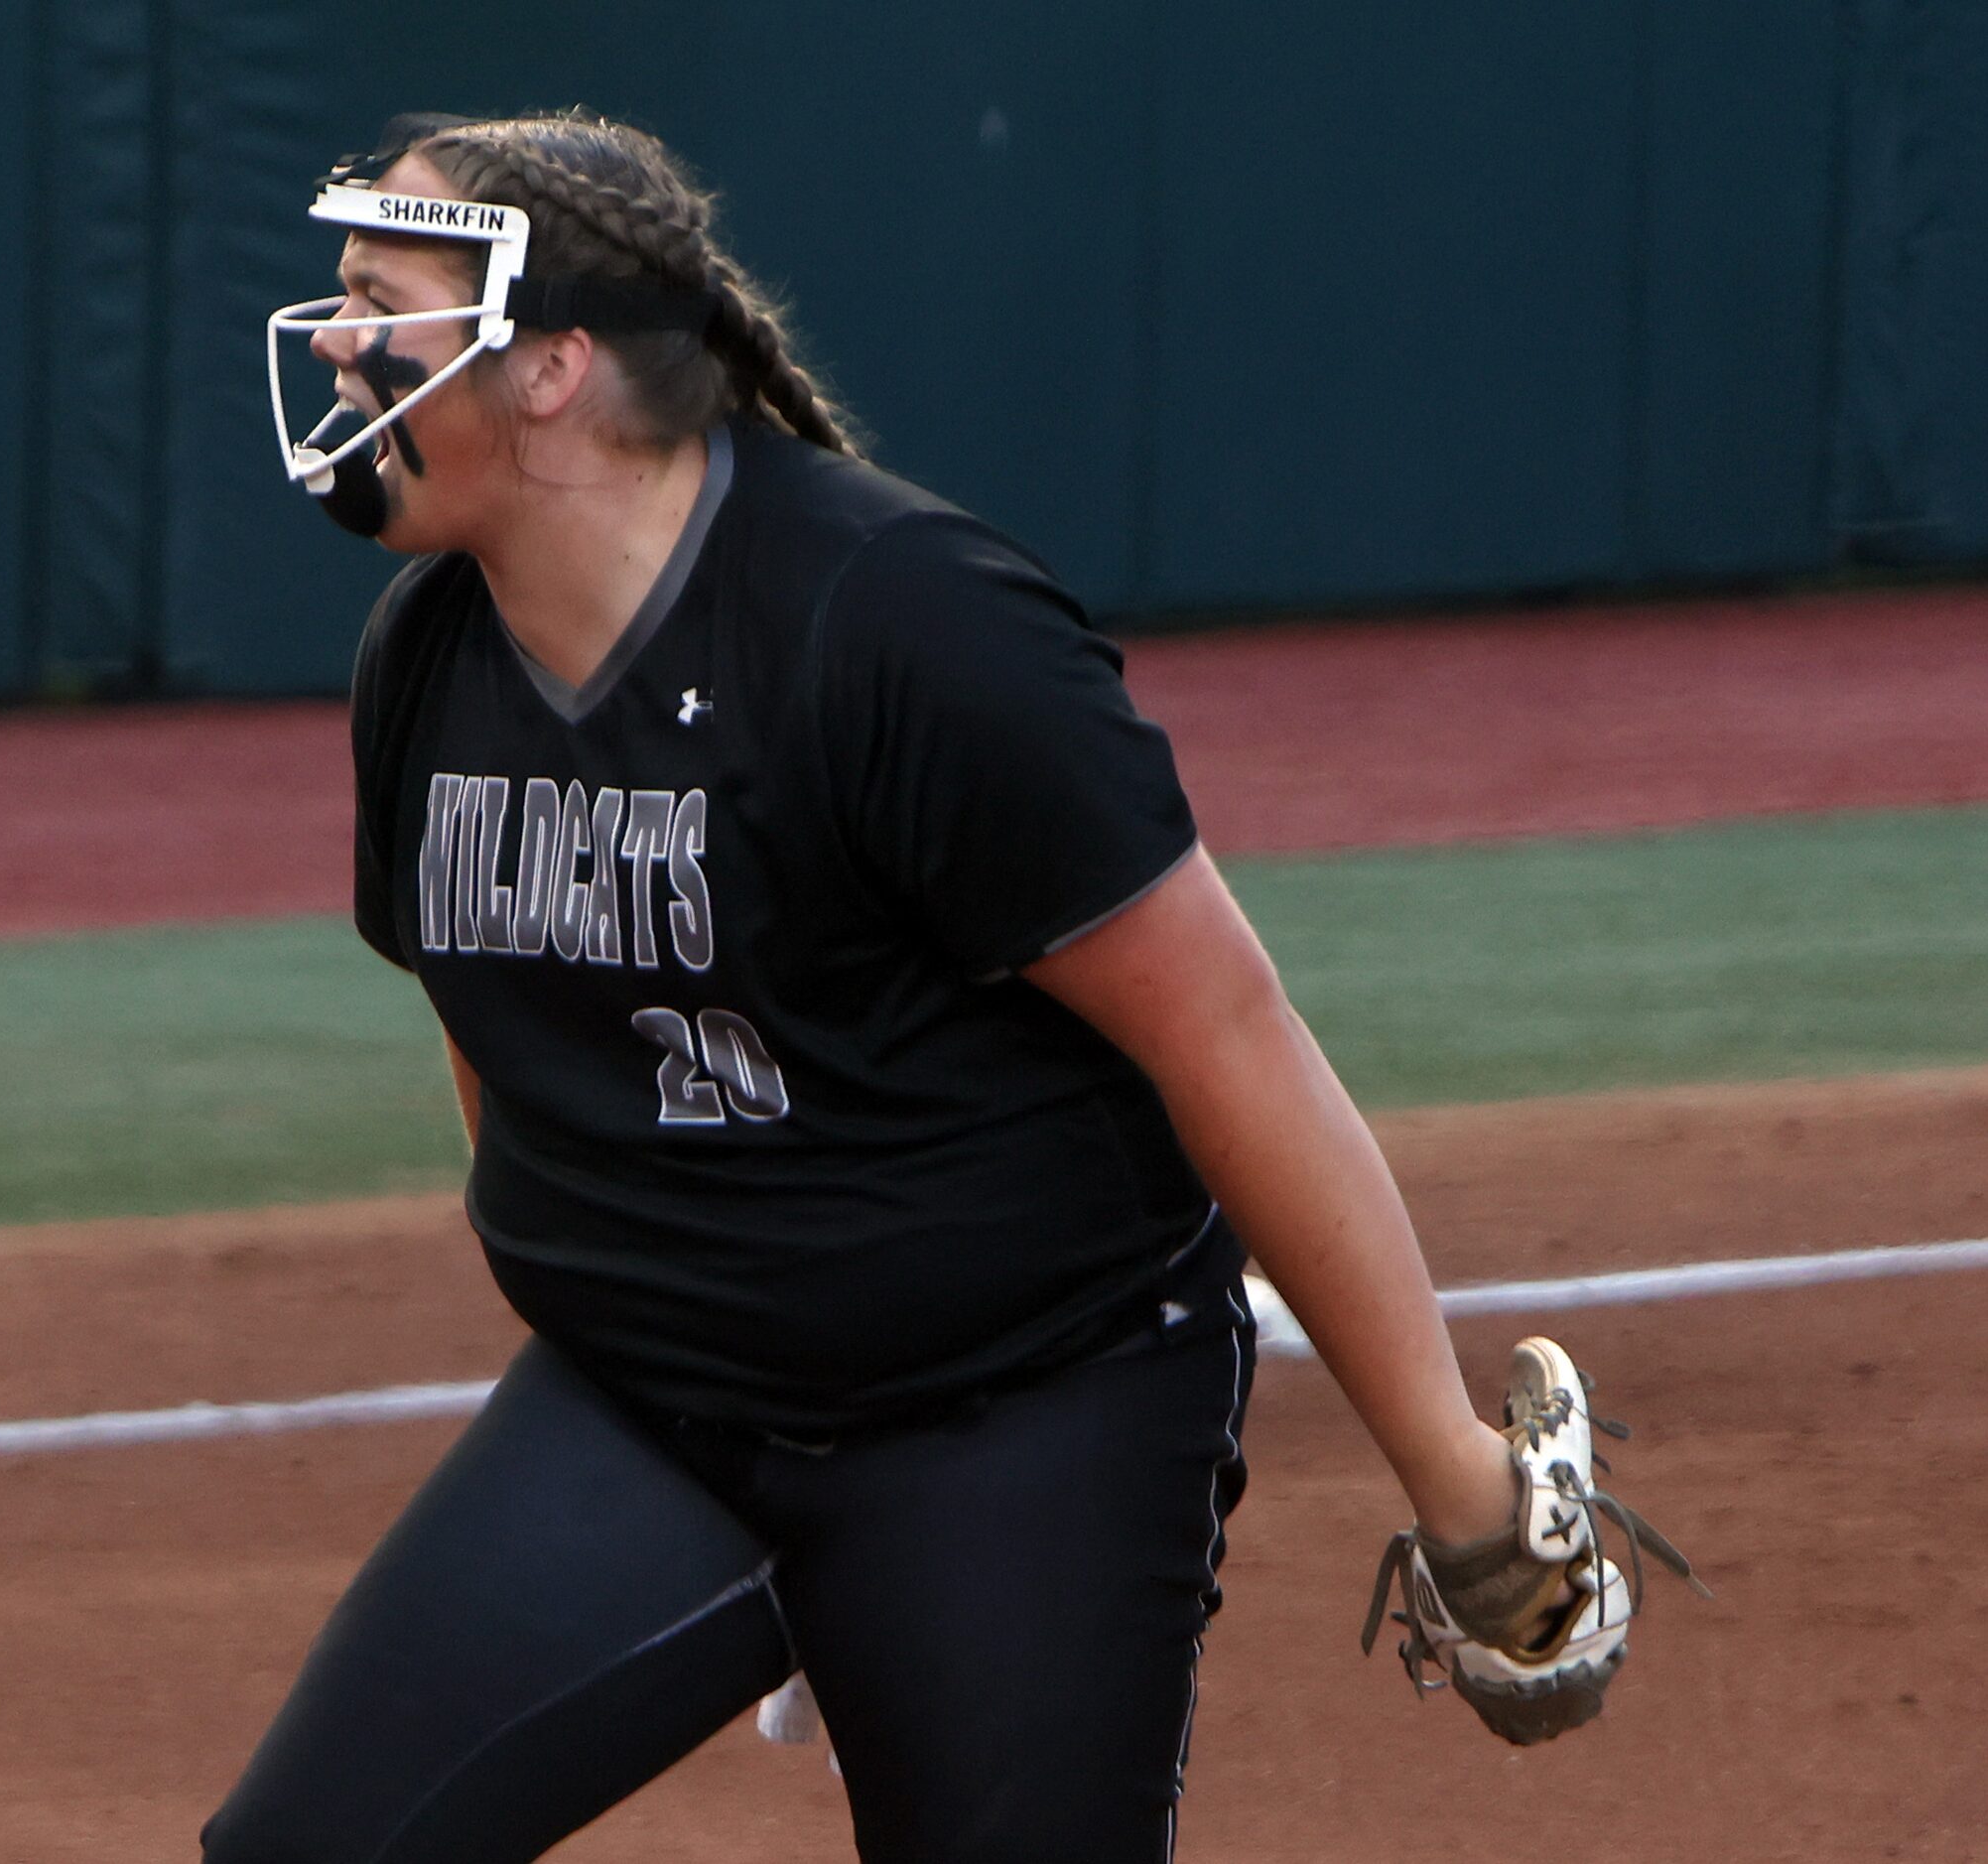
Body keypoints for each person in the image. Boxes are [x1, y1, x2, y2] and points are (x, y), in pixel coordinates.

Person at [210, 110, 1582, 1864]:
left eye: (376, 297)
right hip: (659, 1402)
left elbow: (1221, 1025)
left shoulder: (898, 620)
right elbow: (515, 1051)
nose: (333, 341)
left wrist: (1462, 1487)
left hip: (1013, 1405)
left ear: (550, 366)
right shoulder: (430, 656)